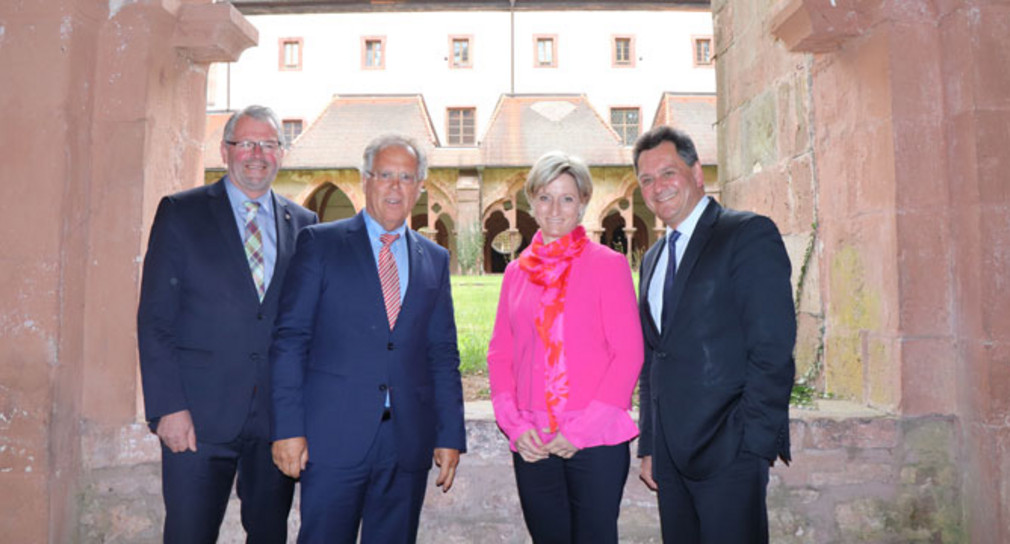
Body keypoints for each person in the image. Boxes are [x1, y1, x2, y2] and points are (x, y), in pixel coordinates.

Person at [270, 134, 467, 543]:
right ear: (365, 180)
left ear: (420, 186)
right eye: (385, 175)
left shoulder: (434, 259)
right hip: (332, 439)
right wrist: (287, 427)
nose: (395, 187)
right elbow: (290, 340)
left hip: (406, 442)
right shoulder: (321, 243)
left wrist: (449, 434)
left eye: (406, 177)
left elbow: (442, 354)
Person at [137, 104, 318, 543]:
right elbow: (155, 318)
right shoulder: (182, 213)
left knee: (269, 535)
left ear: (281, 154)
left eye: (269, 145)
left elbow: (310, 328)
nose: (257, 154)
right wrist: (167, 407)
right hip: (197, 420)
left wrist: (301, 417)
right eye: (246, 143)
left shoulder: (305, 225)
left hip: (274, 423)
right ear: (225, 150)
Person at [633, 126, 795, 543]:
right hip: (670, 458)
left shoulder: (745, 234)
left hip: (730, 452)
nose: (657, 187)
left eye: (668, 172)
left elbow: (773, 347)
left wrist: (752, 444)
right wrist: (650, 444)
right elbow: (654, 359)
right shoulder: (652, 259)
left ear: (697, 173)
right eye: (646, 179)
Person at [487, 151, 644, 543]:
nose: (555, 209)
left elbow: (628, 354)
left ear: (583, 203)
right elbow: (500, 355)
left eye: (567, 198)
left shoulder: (608, 265)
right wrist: (514, 424)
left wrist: (580, 431)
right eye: (545, 197)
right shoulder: (515, 273)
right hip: (533, 440)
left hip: (595, 439)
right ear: (531, 202)